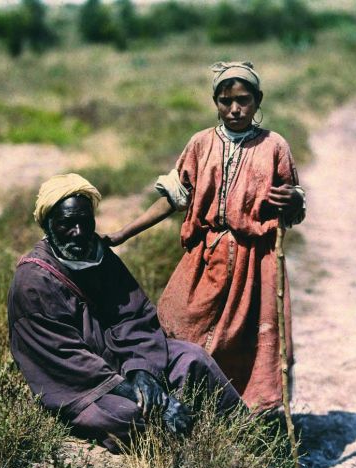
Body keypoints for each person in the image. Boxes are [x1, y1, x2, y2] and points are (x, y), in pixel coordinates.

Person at [104, 62, 306, 411]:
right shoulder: (200, 144)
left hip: (254, 262)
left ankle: (239, 416)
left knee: (244, 341)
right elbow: (174, 197)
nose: (235, 109)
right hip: (205, 255)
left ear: (258, 101)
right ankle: (176, 404)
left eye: (244, 100)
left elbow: (292, 208)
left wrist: (293, 200)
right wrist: (123, 233)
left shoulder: (275, 146)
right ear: (215, 101)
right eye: (226, 101)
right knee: (178, 322)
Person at [7, 173, 242, 453]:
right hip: (83, 385)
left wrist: (142, 371)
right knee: (133, 415)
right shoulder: (33, 281)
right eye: (67, 224)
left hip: (124, 361)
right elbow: (65, 359)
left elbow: (134, 317)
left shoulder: (99, 254)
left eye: (85, 221)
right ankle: (187, 449)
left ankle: (249, 440)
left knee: (193, 358)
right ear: (48, 225)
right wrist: (145, 394)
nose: (79, 232)